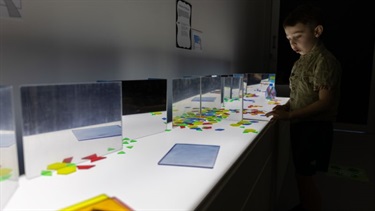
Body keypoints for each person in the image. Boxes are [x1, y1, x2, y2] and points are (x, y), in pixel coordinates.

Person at [265, 4, 341, 211]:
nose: (292, 43)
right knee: (300, 173)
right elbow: (300, 93)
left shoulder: (324, 61)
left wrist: (290, 115)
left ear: (316, 31)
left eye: (297, 36)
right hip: (301, 124)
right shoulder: (301, 60)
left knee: (306, 177)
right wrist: (286, 106)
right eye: (289, 39)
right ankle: (306, 205)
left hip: (314, 128)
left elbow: (325, 102)